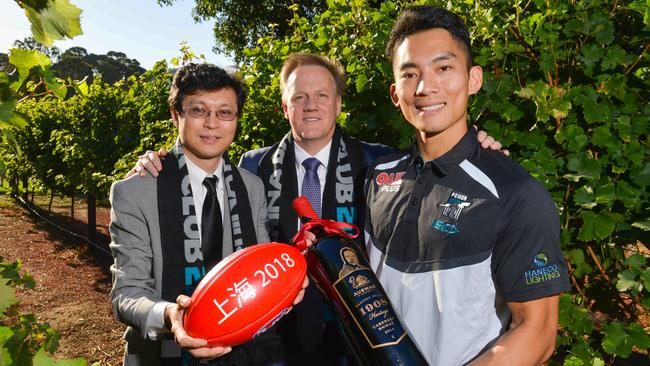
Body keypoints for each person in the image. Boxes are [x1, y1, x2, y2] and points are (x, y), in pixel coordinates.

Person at [128, 54, 506, 365]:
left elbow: (438, 171)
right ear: (283, 106)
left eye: (322, 95)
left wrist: (478, 150)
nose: (310, 106)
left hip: (354, 337)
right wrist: (158, 163)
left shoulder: (380, 163)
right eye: (299, 97)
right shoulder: (253, 166)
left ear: (339, 103)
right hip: (272, 336)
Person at [361, 6, 571, 365]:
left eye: (443, 68)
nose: (426, 88)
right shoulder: (379, 176)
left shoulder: (517, 193)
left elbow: (537, 331)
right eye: (410, 75)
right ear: (396, 94)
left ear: (474, 79)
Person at [109, 63, 306, 366]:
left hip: (242, 354)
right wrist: (168, 315)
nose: (212, 124)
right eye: (199, 110)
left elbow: (257, 269)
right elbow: (127, 292)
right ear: (176, 115)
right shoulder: (135, 192)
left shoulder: (252, 187)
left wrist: (284, 286)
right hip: (162, 357)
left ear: (236, 119)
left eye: (225, 113)